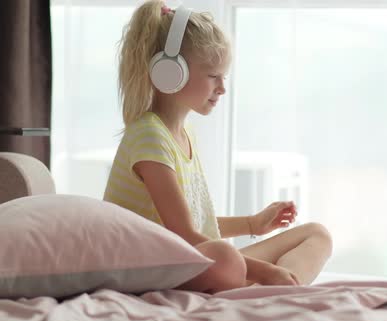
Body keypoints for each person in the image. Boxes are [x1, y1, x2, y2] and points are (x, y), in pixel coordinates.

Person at [103, 0, 332, 294]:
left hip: (189, 261)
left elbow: (199, 227)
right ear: (170, 72)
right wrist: (266, 271)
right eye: (213, 76)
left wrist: (253, 224)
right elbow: (184, 235)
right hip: (156, 270)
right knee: (226, 258)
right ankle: (271, 289)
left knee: (317, 234)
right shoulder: (149, 136)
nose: (222, 88)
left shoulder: (183, 135)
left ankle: (274, 290)